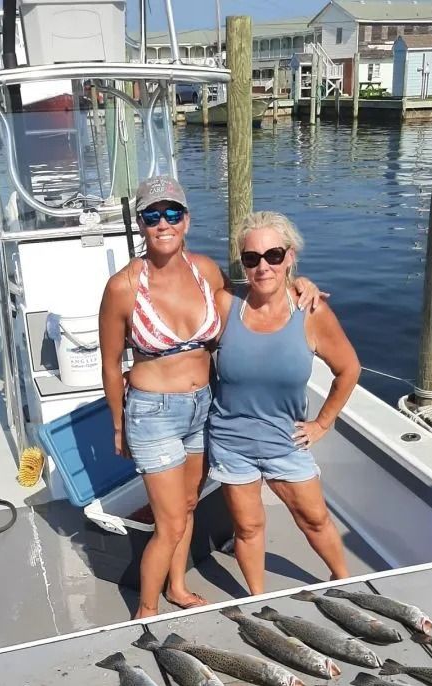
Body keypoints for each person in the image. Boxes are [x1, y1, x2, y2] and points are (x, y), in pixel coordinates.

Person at [99, 177, 322, 619]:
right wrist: (119, 424)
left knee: (187, 506)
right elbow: (110, 364)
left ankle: (178, 588)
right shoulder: (122, 287)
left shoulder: (205, 271)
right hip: (153, 413)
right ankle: (146, 610)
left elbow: (256, 293)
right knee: (169, 523)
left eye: (172, 213)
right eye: (151, 216)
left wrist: (301, 283)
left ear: (187, 219)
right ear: (140, 225)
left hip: (204, 408)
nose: (163, 223)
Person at [208, 211, 360, 595]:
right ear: (242, 263)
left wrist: (322, 424)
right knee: (247, 527)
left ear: (290, 257)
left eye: (273, 255)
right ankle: (258, 601)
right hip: (231, 442)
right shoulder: (225, 305)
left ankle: (345, 580)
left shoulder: (311, 311)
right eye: (251, 258)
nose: (263, 267)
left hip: (286, 441)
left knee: (314, 519)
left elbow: (349, 369)